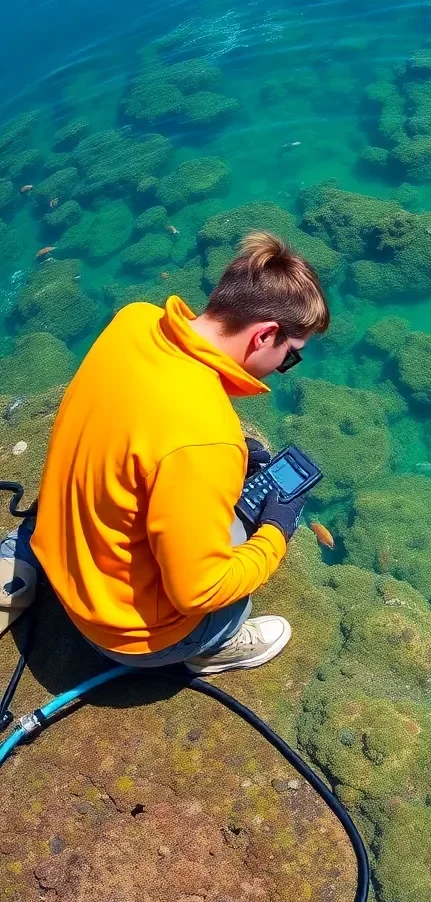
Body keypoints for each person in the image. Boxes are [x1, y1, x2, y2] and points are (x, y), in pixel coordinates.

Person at [30, 232, 329, 675]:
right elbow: (200, 593)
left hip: (58, 557)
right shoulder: (206, 438)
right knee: (233, 593)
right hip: (119, 631)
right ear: (265, 335)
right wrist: (275, 534)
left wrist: (216, 456)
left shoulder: (134, 320)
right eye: (291, 356)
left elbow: (138, 420)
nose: (285, 369)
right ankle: (209, 648)